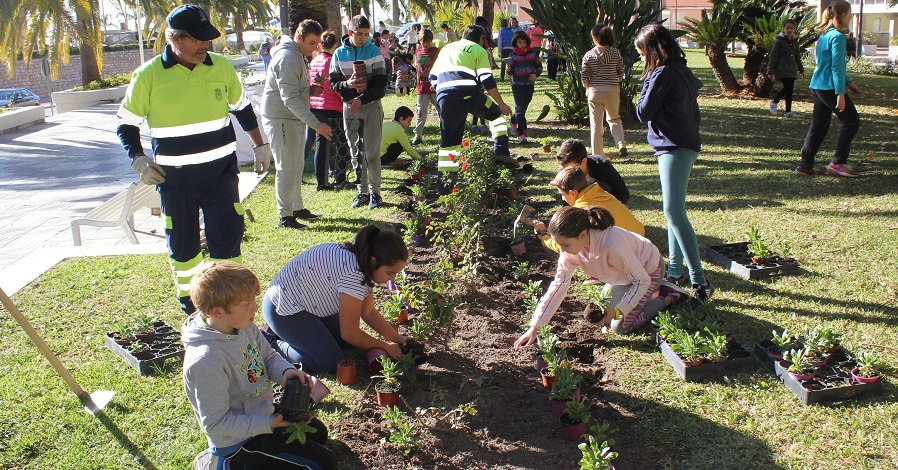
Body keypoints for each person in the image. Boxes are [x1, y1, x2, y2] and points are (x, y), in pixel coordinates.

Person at [116, 4, 272, 314]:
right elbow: (126, 123)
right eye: (197, 39)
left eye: (208, 38)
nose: (205, 44)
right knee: (184, 248)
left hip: (220, 176)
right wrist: (139, 159)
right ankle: (193, 309)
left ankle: (231, 304)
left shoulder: (221, 67)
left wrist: (260, 145)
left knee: (227, 241)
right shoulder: (148, 76)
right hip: (175, 181)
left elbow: (242, 109)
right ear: (175, 38)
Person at [182, 261, 337, 469]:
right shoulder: (206, 360)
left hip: (261, 413)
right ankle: (227, 464)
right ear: (217, 312)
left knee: (318, 434)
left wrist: (286, 372)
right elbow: (216, 424)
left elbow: (268, 357)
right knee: (324, 464)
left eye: (253, 299)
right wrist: (267, 424)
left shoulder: (242, 325)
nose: (255, 307)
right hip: (238, 441)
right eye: (245, 303)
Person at [513, 207, 686, 345]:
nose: (562, 250)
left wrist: (618, 310)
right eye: (560, 245)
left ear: (583, 234)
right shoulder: (571, 250)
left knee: (620, 326)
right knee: (604, 313)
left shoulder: (612, 245)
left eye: (565, 245)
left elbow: (642, 281)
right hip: (623, 277)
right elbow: (559, 284)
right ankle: (652, 292)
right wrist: (536, 326)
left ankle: (667, 296)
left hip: (648, 272)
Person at [634, 24, 712, 304]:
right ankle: (675, 270)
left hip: (674, 146)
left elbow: (643, 112)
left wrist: (646, 82)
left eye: (642, 53)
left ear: (654, 50)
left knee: (674, 211)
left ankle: (700, 281)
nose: (641, 58)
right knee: (672, 212)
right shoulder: (680, 69)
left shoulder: (662, 73)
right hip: (683, 144)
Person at [262, 225, 409, 374]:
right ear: (373, 261)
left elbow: (368, 312)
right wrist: (386, 347)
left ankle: (290, 333)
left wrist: (397, 338)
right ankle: (271, 343)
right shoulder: (353, 275)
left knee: (347, 343)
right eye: (390, 273)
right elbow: (350, 333)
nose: (392, 279)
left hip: (306, 305)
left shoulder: (361, 261)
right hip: (282, 308)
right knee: (330, 363)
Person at [261, 19, 334, 230]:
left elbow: (293, 92)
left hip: (292, 118)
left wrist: (309, 91)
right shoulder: (288, 57)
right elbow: (289, 98)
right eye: (311, 43)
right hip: (281, 119)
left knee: (296, 164)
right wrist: (316, 124)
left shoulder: (296, 55)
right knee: (286, 166)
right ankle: (285, 215)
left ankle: (296, 208)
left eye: (317, 43)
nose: (315, 48)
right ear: (298, 37)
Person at [429, 25, 518, 177]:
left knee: (449, 142)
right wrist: (501, 104)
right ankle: (501, 153)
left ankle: (446, 183)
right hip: (469, 94)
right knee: (496, 115)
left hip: (445, 97)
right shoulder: (478, 49)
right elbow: (487, 80)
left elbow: (432, 77)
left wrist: (444, 92)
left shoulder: (446, 49)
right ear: (481, 39)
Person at [796, 0, 862, 177]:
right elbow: (836, 67)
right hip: (830, 88)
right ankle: (838, 163)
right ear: (843, 15)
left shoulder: (824, 35)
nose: (851, 17)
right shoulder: (838, 37)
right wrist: (840, 93)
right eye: (850, 14)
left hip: (818, 86)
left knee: (819, 126)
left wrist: (849, 83)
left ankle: (805, 165)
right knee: (852, 121)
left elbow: (826, 64)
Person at [330, 15, 388, 209]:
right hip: (350, 108)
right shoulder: (339, 54)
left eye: (366, 34)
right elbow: (333, 83)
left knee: (371, 152)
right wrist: (347, 85)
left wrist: (361, 99)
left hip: (371, 106)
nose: (363, 38)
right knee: (356, 152)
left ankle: (375, 193)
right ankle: (362, 192)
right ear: (350, 33)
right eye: (359, 34)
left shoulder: (374, 51)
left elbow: (380, 86)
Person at [533, 167, 645, 250]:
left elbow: (566, 245)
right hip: (641, 239)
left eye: (562, 194)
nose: (563, 198)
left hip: (626, 250)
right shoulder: (600, 192)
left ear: (572, 193)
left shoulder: (581, 210)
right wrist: (547, 229)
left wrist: (543, 237)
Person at [310, 31, 351, 191]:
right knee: (341, 143)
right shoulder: (332, 61)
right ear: (335, 45)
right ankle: (340, 178)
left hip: (316, 107)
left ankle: (321, 181)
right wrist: (346, 100)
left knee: (321, 144)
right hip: (332, 107)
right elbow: (336, 87)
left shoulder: (315, 60)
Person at [582, 24, 628, 158]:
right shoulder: (615, 53)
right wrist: (615, 81)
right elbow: (621, 70)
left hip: (594, 91)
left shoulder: (589, 54)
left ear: (595, 37)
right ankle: (620, 142)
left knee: (596, 124)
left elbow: (584, 75)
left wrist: (587, 87)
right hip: (612, 90)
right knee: (614, 119)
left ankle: (598, 154)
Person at [556, 139, 630, 204]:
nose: (567, 171)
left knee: (603, 186)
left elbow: (622, 193)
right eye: (563, 168)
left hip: (606, 204)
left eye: (570, 168)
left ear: (584, 161)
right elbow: (566, 203)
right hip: (579, 207)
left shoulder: (601, 164)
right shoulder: (563, 173)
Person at [507, 31, 542, 144]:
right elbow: (510, 71)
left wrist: (536, 74)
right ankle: (521, 134)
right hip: (517, 84)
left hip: (529, 85)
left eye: (524, 42)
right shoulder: (513, 55)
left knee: (523, 108)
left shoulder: (533, 53)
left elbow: (539, 66)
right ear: (515, 43)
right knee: (520, 108)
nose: (522, 44)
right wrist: (508, 69)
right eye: (519, 42)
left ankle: (513, 120)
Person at [767, 19, 805, 118]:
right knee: (787, 87)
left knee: (790, 90)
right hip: (782, 69)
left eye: (791, 28)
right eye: (787, 28)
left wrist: (801, 69)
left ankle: (788, 111)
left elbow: (797, 57)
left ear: (794, 29)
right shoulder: (779, 42)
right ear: (783, 29)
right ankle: (774, 102)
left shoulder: (795, 42)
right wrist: (770, 70)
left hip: (792, 69)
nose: (789, 30)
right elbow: (773, 56)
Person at [412, 29, 441, 145]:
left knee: (441, 110)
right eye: (423, 41)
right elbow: (417, 69)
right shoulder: (417, 51)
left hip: (435, 87)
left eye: (428, 41)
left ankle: (445, 132)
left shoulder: (436, 51)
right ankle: (418, 135)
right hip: (422, 87)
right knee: (421, 112)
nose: (425, 44)